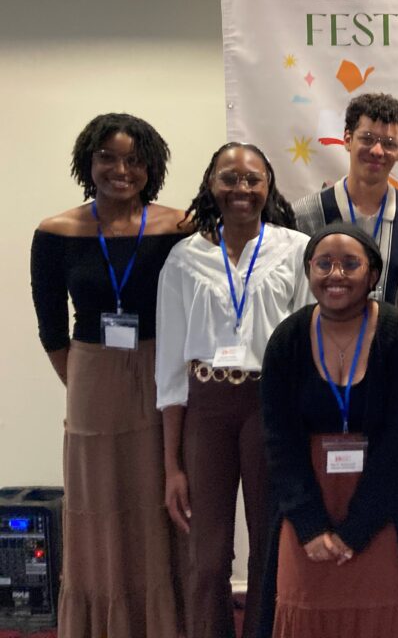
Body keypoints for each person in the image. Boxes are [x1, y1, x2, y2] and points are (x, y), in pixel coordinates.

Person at [30, 112, 187, 637]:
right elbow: (51, 330)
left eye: (134, 160)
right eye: (108, 158)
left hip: (162, 366)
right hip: (92, 371)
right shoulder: (56, 232)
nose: (121, 169)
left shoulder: (176, 227)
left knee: (158, 494)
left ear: (151, 167)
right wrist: (88, 381)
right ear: (88, 162)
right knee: (98, 500)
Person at [156, 142, 311, 638]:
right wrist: (171, 464)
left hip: (271, 404)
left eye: (252, 179)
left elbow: (311, 345)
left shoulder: (295, 248)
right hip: (206, 407)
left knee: (271, 544)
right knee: (207, 553)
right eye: (229, 178)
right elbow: (171, 365)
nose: (241, 189)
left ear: (268, 185)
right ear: (210, 184)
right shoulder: (184, 258)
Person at [259, 222, 398, 638]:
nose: (336, 274)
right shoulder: (288, 339)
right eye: (324, 264)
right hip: (307, 503)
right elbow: (279, 439)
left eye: (350, 264)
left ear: (372, 275)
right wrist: (311, 525)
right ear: (309, 271)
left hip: (381, 503)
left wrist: (357, 529)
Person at [292, 92, 398, 304]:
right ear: (347, 139)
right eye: (367, 139)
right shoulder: (304, 216)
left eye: (389, 143)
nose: (377, 150)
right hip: (321, 336)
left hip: (396, 337)